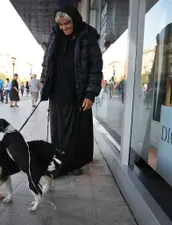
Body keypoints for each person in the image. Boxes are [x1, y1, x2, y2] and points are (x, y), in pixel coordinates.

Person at [40, 6, 103, 176]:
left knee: (74, 132)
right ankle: (62, 162)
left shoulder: (87, 37)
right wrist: (43, 81)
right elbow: (46, 62)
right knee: (58, 130)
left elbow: (95, 68)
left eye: (67, 23)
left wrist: (90, 94)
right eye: (60, 24)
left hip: (77, 92)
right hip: (57, 91)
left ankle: (68, 165)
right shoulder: (55, 37)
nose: (64, 27)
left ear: (75, 20)